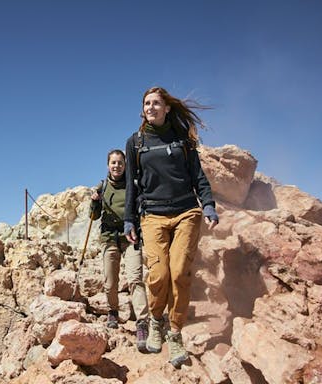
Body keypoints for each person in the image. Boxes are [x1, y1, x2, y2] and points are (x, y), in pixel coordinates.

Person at [123, 86, 219, 368]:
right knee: (158, 274)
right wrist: (130, 218)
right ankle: (156, 321)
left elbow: (197, 174)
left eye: (156, 103)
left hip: (186, 211)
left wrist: (209, 203)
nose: (151, 107)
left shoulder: (182, 139)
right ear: (143, 110)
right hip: (152, 215)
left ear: (166, 108)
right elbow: (131, 184)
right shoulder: (135, 142)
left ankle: (174, 332)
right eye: (146, 103)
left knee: (180, 273)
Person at [90, 149, 150, 352]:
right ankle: (113, 312)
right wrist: (94, 202)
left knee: (135, 279)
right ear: (108, 165)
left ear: (125, 165)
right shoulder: (103, 187)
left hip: (131, 236)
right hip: (109, 239)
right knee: (110, 282)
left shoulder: (133, 185)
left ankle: (142, 323)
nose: (117, 166)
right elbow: (94, 217)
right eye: (113, 163)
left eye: (120, 163)